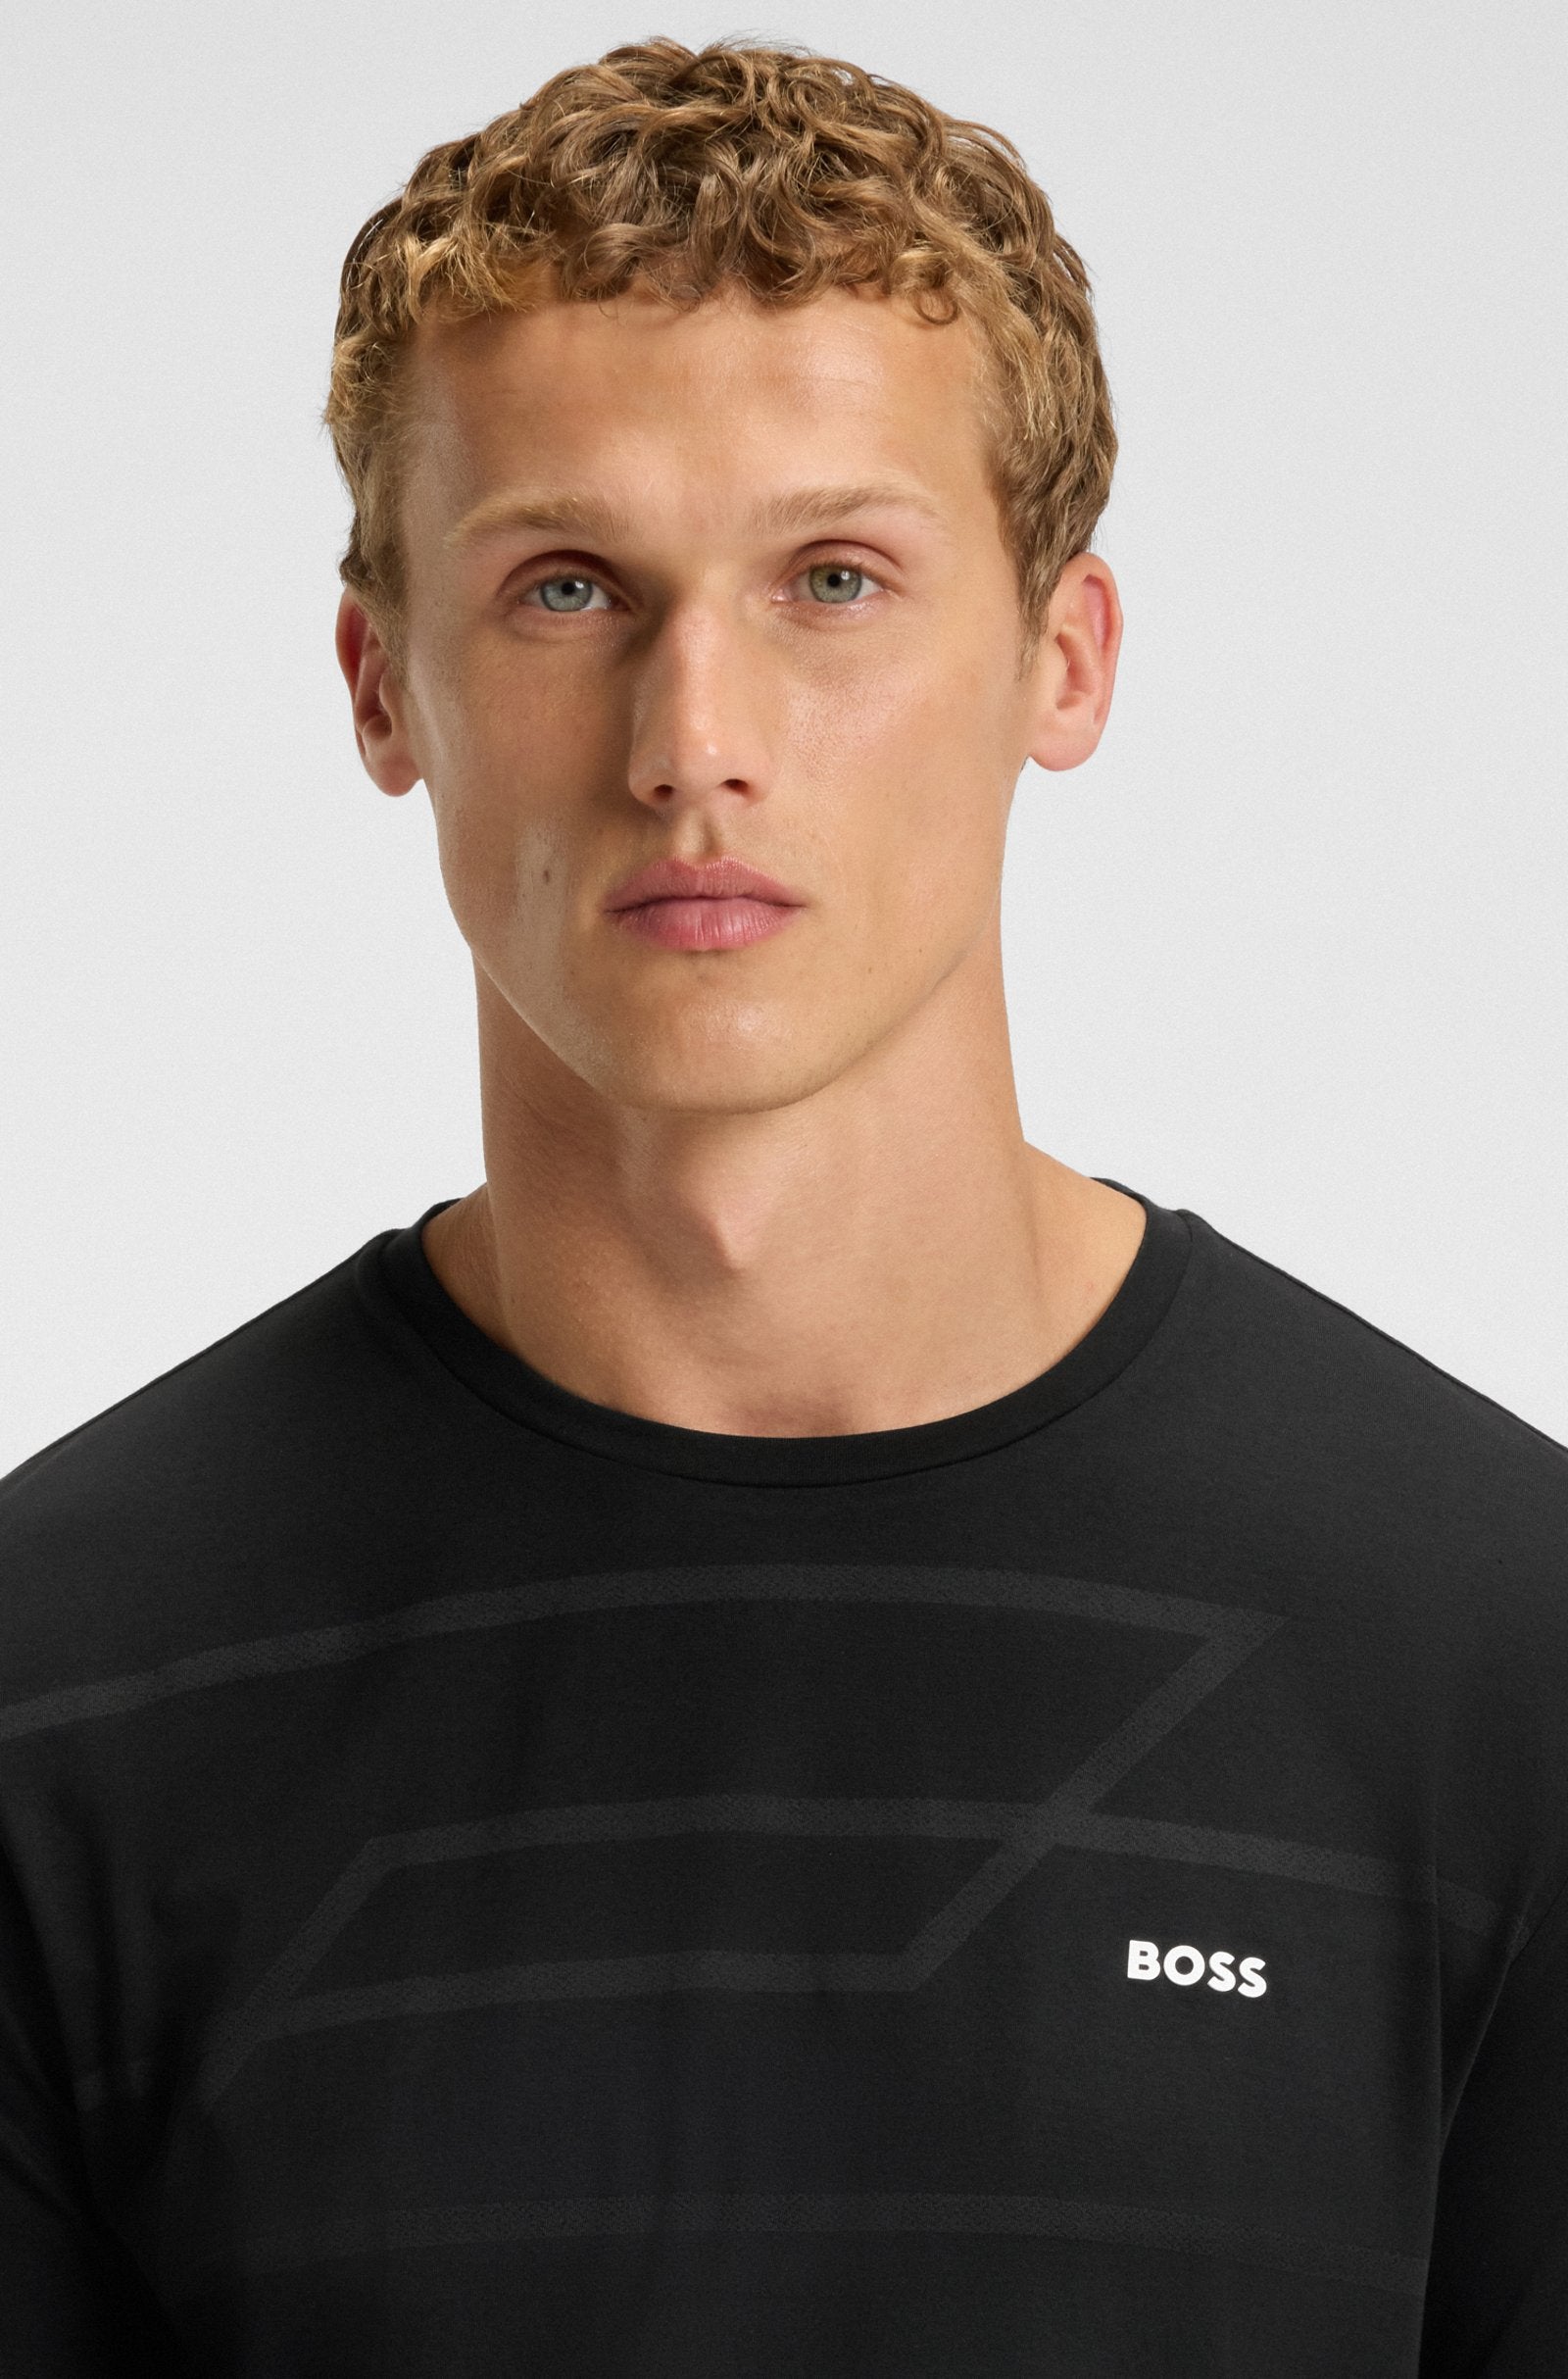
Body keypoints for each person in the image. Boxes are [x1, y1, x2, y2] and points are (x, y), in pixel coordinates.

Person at [0, 34, 1562, 2377]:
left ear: (1059, 656)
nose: (691, 738)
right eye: (563, 586)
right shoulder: (61, 1689)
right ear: (379, 684)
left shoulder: (1493, 1656)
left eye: (832, 577)